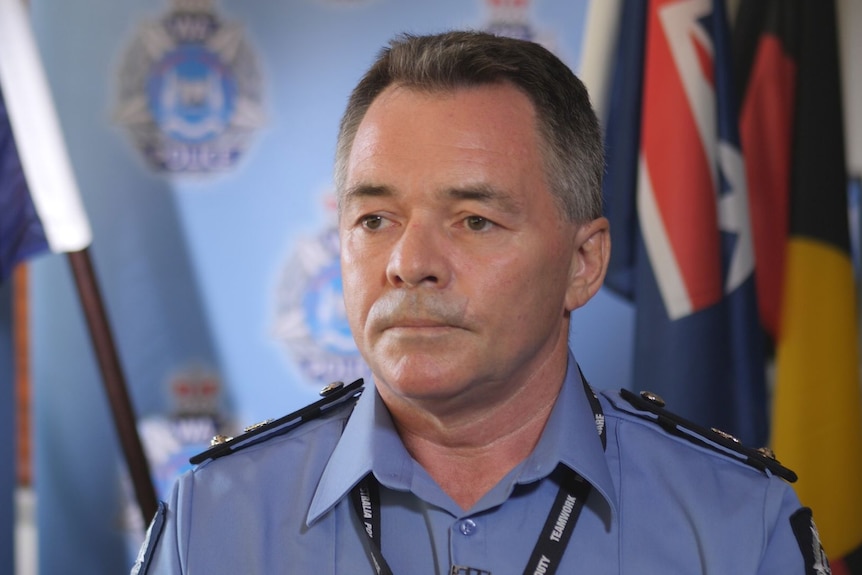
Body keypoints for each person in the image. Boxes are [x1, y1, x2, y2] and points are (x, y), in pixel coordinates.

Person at [132, 30, 828, 574]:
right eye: (376, 219)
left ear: (583, 263)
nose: (410, 264)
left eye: (474, 220)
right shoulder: (215, 520)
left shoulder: (739, 523)